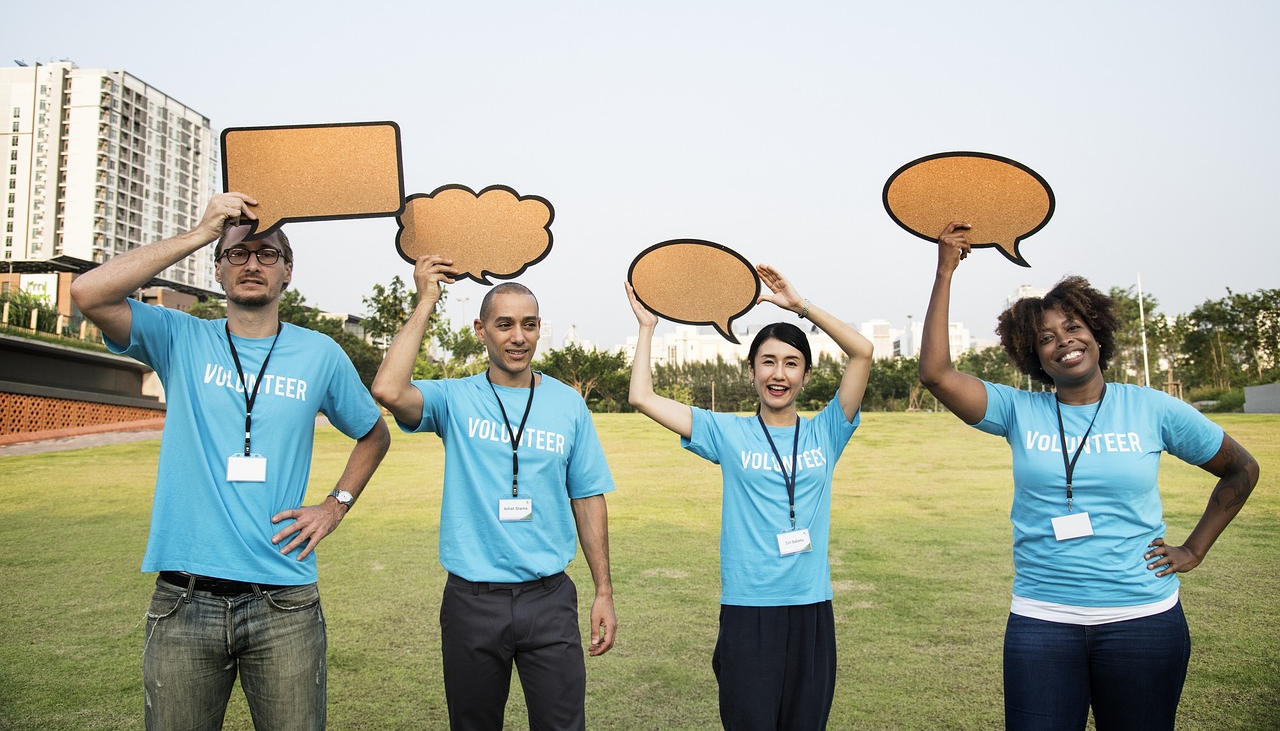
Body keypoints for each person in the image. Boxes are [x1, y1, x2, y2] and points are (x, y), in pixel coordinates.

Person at [918, 221, 1260, 731]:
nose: (1064, 342)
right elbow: (936, 374)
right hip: (1042, 622)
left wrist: (1194, 550)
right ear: (1033, 356)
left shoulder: (1152, 408)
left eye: (1074, 328)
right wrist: (945, 271)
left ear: (1096, 333)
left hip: (1142, 621)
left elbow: (1241, 469)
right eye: (1047, 338)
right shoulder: (1019, 411)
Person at [70, 192, 391, 731]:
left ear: (288, 272)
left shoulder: (320, 354)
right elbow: (87, 291)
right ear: (217, 271)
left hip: (284, 601)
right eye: (236, 253)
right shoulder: (180, 337)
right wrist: (201, 232)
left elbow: (374, 435)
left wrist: (335, 506)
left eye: (268, 254)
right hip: (183, 600)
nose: (252, 264)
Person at [371, 255, 616, 731]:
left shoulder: (568, 403)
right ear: (481, 331)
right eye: (504, 325)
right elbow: (388, 388)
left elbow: (587, 498)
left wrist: (603, 590)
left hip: (549, 598)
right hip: (472, 601)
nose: (518, 337)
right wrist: (426, 301)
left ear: (540, 329)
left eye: (528, 324)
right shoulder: (454, 398)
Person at [625, 265, 874, 731]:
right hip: (748, 609)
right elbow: (641, 395)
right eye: (768, 361)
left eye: (791, 362)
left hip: (810, 610)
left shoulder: (828, 429)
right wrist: (647, 327)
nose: (779, 374)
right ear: (751, 369)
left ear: (805, 374)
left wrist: (800, 306)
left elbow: (862, 351)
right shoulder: (729, 432)